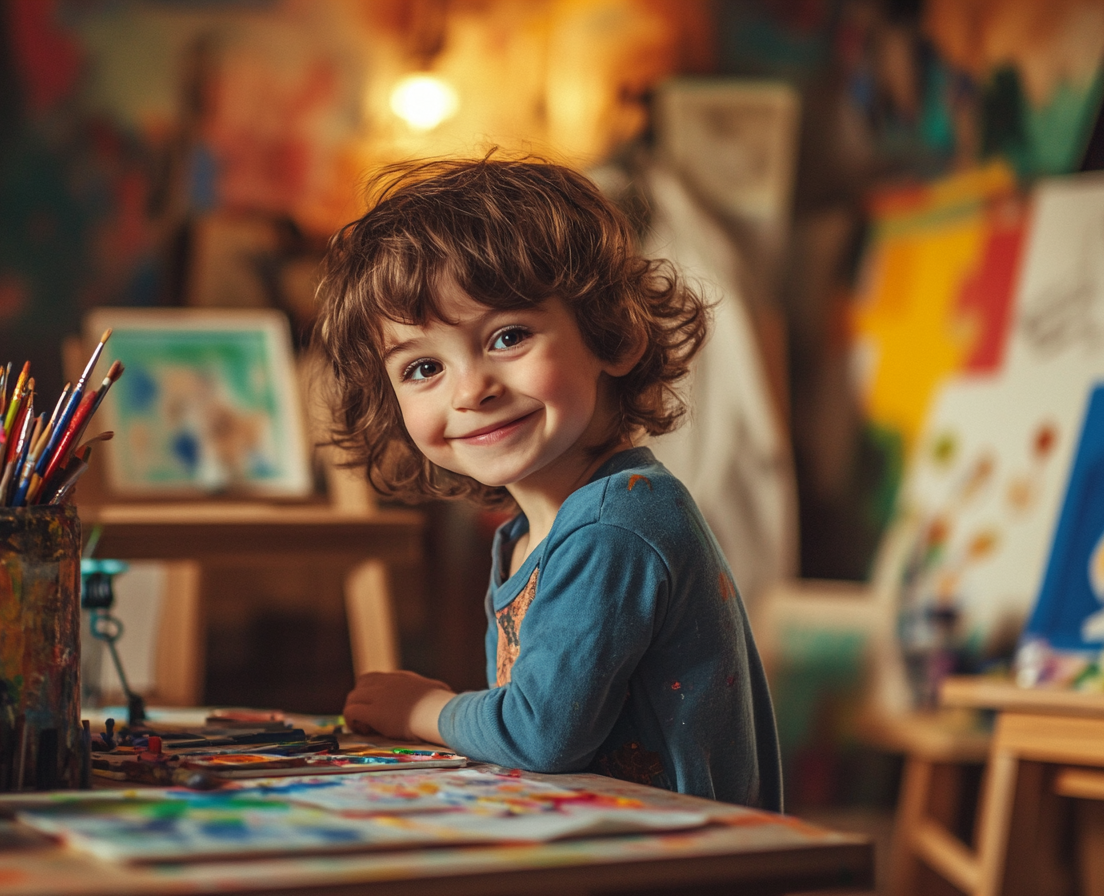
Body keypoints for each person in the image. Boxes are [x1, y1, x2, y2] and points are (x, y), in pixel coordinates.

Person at [314, 153, 781, 808]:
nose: (471, 390)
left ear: (612, 336)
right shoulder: (531, 532)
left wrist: (424, 708)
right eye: (423, 369)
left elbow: (542, 735)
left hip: (680, 862)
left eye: (507, 336)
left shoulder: (618, 526)